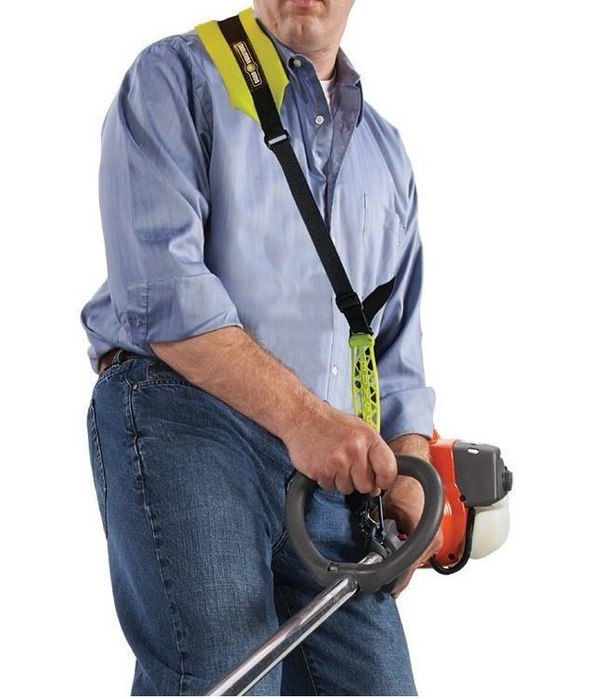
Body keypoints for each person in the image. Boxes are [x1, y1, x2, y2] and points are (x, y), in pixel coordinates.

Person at [80, 0, 439, 693]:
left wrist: (408, 465)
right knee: (224, 674)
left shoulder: (385, 156)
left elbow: (393, 350)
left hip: (328, 468)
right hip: (188, 418)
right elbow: (164, 294)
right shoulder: (177, 78)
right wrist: (306, 420)